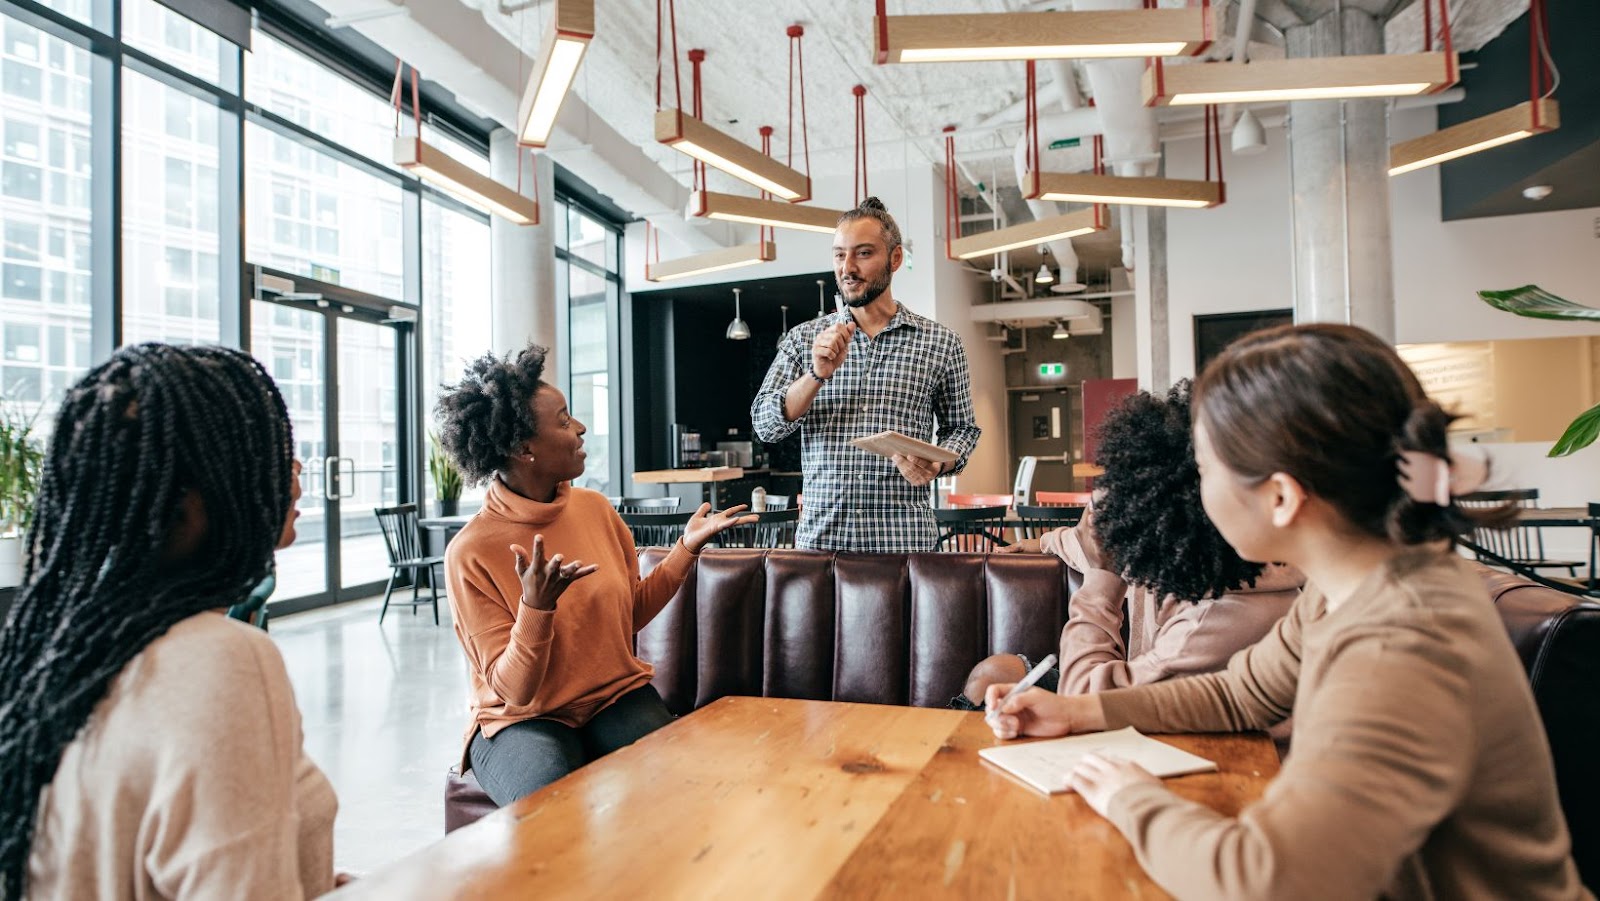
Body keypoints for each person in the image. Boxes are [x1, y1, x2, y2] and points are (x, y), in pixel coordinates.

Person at [987, 324, 1586, 900]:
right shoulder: (1356, 582)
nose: (1197, 490)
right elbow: (1240, 695)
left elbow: (1267, 883)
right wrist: (1081, 710)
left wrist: (1130, 797)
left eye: (1204, 469)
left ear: (1280, 496)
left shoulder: (1399, 644)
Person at [0, 344, 335, 899]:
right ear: (195, 496)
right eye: (275, 453)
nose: (296, 473)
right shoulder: (216, 659)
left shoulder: (54, 648)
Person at [436, 345, 754, 806]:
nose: (581, 428)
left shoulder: (595, 509)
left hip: (611, 697)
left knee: (681, 790)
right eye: (564, 421)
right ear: (524, 448)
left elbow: (630, 615)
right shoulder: (470, 552)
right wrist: (536, 608)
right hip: (521, 720)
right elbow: (514, 692)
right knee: (549, 815)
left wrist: (685, 549)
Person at [956, 382, 1302, 708]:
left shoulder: (1217, 616)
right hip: (1133, 687)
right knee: (993, 674)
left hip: (1130, 706)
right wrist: (1042, 542)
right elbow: (1089, 539)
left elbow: (1086, 699)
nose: (1116, 521)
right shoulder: (1162, 548)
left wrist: (1101, 580)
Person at [751, 197, 980, 552]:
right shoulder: (803, 340)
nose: (848, 268)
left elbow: (962, 429)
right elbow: (766, 425)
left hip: (904, 543)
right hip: (822, 545)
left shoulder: (941, 343)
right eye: (839, 255)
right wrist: (816, 374)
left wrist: (938, 462)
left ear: (895, 258)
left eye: (863, 253)